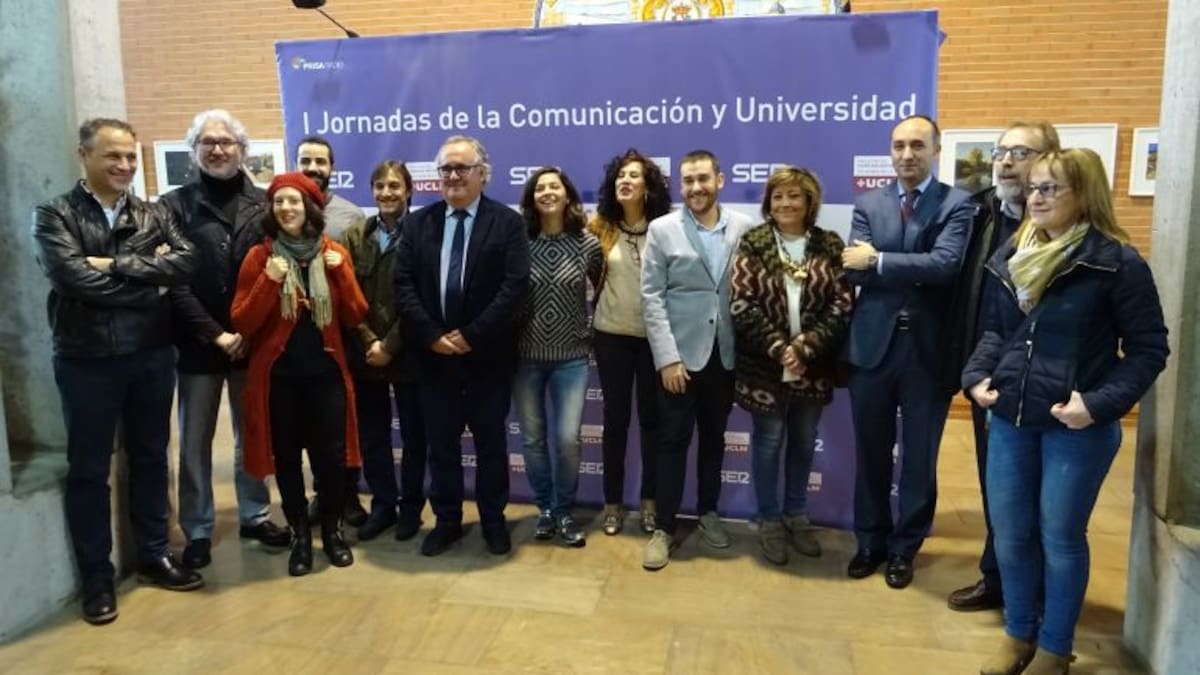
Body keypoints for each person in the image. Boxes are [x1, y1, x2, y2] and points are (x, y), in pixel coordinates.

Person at [964, 148, 1168, 675]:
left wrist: (1097, 405)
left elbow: (1149, 349)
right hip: (1010, 417)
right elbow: (996, 333)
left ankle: (1055, 648)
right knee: (1010, 534)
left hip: (1075, 426)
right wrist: (978, 378)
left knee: (1059, 538)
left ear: (1085, 194)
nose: (1035, 196)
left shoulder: (1116, 262)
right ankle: (1017, 635)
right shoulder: (1016, 253)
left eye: (1050, 188)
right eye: (1033, 187)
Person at [32, 118, 201, 624]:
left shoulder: (155, 212)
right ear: (83, 155)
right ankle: (97, 579)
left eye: (130, 156)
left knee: (151, 458)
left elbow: (187, 262)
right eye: (113, 156)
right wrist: (151, 280)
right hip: (86, 360)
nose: (125, 165)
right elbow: (73, 279)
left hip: (151, 354)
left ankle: (153, 554)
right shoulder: (54, 214)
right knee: (89, 471)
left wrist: (112, 264)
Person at [841, 114, 974, 589]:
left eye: (917, 145)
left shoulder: (958, 205)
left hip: (927, 352)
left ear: (935, 150)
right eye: (898, 145)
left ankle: (904, 548)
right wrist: (887, 266)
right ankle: (870, 542)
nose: (906, 154)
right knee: (871, 453)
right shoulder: (868, 203)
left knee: (919, 458)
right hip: (871, 348)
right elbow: (851, 272)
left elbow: (945, 265)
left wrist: (878, 259)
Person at [161, 109, 291, 570]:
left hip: (253, 342)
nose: (218, 150)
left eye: (227, 142)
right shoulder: (172, 206)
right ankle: (197, 529)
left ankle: (255, 514)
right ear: (194, 150)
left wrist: (247, 332)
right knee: (194, 439)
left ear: (243, 150)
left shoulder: (264, 204)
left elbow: (276, 271)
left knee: (252, 432)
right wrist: (215, 334)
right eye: (207, 142)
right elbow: (173, 282)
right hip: (198, 343)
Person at [394, 135, 530, 557]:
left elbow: (514, 288)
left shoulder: (507, 223)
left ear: (482, 174)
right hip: (433, 359)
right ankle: (448, 521)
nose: (452, 177)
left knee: (492, 446)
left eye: (462, 168)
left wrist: (471, 336)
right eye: (446, 170)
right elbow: (403, 285)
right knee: (441, 447)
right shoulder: (418, 224)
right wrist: (433, 336)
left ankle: (493, 521)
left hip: (487, 358)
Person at [945, 121, 1062, 612]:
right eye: (1001, 151)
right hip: (987, 379)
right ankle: (999, 580)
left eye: (1021, 151)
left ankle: (1037, 595)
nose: (1007, 161)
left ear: (1049, 160)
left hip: (1046, 384)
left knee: (1047, 503)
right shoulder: (979, 215)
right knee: (1000, 488)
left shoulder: (1064, 231)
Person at [231, 172, 368, 576]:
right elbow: (242, 320)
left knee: (331, 460)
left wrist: (341, 272)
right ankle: (301, 539)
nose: (286, 209)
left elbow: (356, 314)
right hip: (278, 380)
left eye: (294, 201)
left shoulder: (332, 251)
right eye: (279, 202)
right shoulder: (260, 257)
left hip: (325, 375)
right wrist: (269, 283)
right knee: (287, 459)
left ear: (310, 207)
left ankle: (332, 531)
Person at [730, 166, 854, 566]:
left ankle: (796, 516)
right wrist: (781, 348)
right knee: (768, 444)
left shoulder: (829, 244)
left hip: (812, 366)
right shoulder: (754, 241)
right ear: (769, 202)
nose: (785, 203)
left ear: (809, 202)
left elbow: (842, 303)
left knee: (803, 442)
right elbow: (741, 302)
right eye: (778, 196)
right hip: (765, 366)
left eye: (793, 196)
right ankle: (768, 519)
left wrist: (807, 346)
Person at [641, 149, 754, 570]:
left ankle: (708, 513)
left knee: (713, 442)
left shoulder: (743, 227)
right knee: (671, 444)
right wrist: (667, 359)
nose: (695, 188)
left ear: (719, 180)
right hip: (679, 361)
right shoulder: (662, 229)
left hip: (724, 358)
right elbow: (651, 296)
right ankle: (664, 529)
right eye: (688, 181)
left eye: (703, 179)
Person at [514, 167, 603, 547]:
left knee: (567, 439)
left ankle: (564, 509)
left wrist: (590, 333)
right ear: (532, 198)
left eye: (555, 186)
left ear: (567, 195)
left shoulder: (588, 244)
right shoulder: (518, 242)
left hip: (571, 358)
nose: (547, 192)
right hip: (524, 357)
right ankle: (546, 509)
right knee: (533, 440)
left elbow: (604, 294)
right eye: (540, 187)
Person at [342, 160, 429, 542]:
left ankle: (411, 509)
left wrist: (390, 344)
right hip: (365, 353)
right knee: (373, 436)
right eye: (379, 186)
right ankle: (383, 505)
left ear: (409, 190)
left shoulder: (425, 233)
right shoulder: (354, 234)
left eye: (395, 186)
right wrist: (368, 341)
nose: (387, 193)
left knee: (415, 436)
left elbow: (423, 298)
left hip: (409, 352)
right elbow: (346, 294)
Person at [588, 149, 673, 536]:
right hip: (611, 337)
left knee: (653, 423)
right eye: (620, 175)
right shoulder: (599, 227)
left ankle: (651, 502)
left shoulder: (667, 227)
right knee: (615, 421)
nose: (625, 180)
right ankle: (612, 504)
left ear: (648, 186)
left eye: (634, 176)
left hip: (656, 339)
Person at [295, 135, 369, 526]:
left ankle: (349, 496)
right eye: (305, 159)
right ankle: (321, 494)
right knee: (309, 424)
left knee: (344, 421)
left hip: (341, 336)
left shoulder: (350, 216)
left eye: (320, 161)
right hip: (295, 339)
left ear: (332, 168)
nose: (313, 167)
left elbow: (359, 282)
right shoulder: (279, 212)